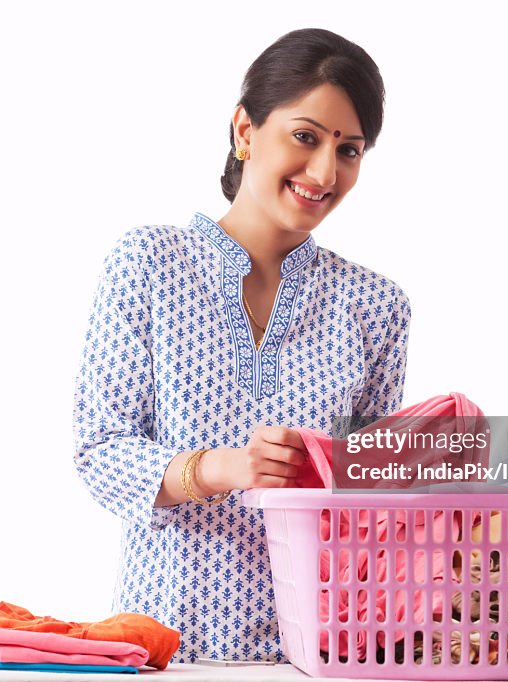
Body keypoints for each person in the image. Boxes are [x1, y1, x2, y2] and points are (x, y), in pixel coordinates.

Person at [72, 27, 410, 664]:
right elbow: (99, 451)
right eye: (305, 136)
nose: (323, 172)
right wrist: (224, 467)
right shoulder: (149, 264)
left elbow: (370, 502)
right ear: (245, 131)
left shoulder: (376, 306)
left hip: (319, 654)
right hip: (164, 649)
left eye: (350, 150)